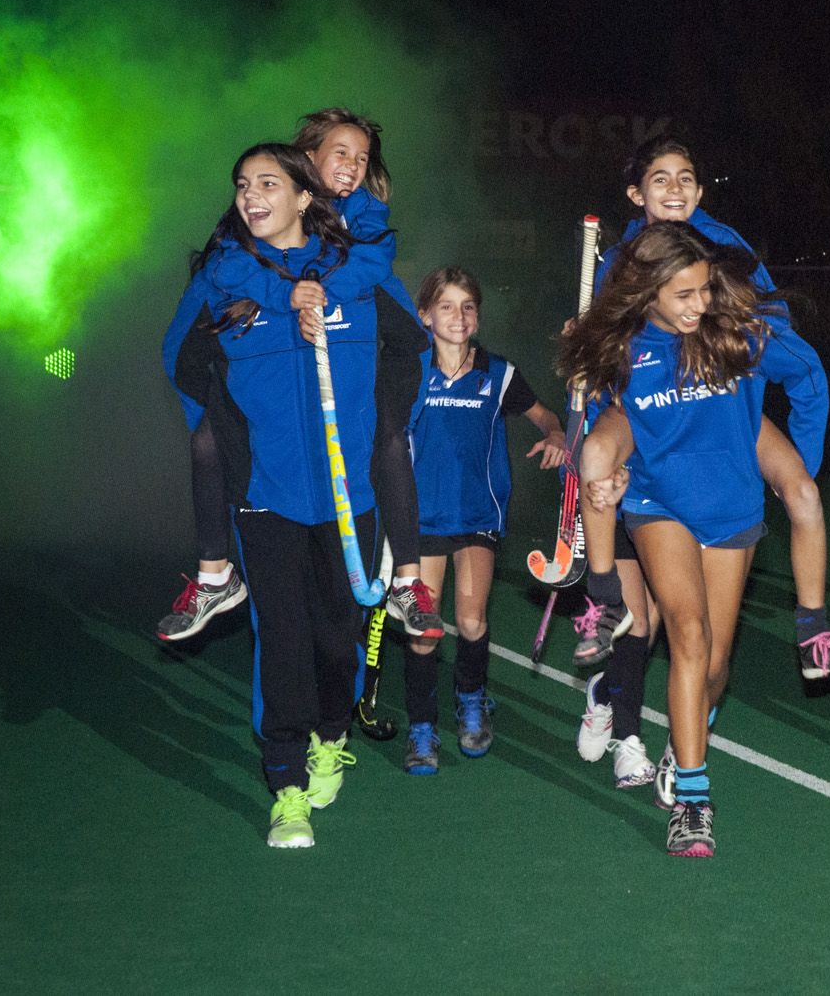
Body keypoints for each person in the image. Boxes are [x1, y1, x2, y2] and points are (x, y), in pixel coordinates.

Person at [558, 221, 812, 857]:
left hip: (729, 503)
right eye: (683, 294)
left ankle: (686, 739)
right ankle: (693, 803)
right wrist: (611, 467)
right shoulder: (624, 348)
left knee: (716, 666)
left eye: (704, 289)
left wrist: (800, 458)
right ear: (648, 293)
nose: (698, 304)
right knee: (688, 636)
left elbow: (804, 370)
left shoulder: (732, 330)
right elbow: (610, 420)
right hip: (658, 502)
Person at [571, 135, 830, 687]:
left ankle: (813, 633)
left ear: (701, 191)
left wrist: (793, 454)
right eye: (660, 179)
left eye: (686, 179)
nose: (675, 189)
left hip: (720, 398)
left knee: (802, 492)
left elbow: (776, 330)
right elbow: (606, 353)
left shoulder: (725, 244)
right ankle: (605, 605)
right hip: (651, 404)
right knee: (601, 460)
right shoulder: (620, 260)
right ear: (635, 193)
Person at [158, 108, 437, 642]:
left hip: (344, 374)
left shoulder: (363, 214)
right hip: (271, 408)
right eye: (340, 153)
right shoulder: (265, 207)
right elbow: (225, 266)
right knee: (210, 437)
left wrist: (322, 291)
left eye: (362, 158)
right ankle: (214, 574)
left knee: (388, 436)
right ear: (308, 159)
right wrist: (285, 293)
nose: (352, 166)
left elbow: (375, 264)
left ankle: (407, 577)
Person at [191, 143, 386, 847]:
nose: (251, 195)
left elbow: (402, 322)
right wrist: (287, 296)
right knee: (282, 640)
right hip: (266, 498)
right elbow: (188, 356)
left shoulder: (356, 273)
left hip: (347, 497)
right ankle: (286, 784)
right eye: (243, 184)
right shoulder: (230, 280)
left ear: (305, 197)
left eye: (269, 183)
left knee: (338, 639)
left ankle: (331, 736)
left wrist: (386, 445)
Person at [399, 267, 565, 774]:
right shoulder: (408, 370)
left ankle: (471, 700)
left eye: (468, 306)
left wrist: (556, 436)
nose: (459, 316)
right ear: (424, 315)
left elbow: (546, 417)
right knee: (424, 631)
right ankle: (421, 728)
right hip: (422, 518)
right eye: (446, 306)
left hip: (478, 514)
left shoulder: (499, 373)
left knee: (471, 620)